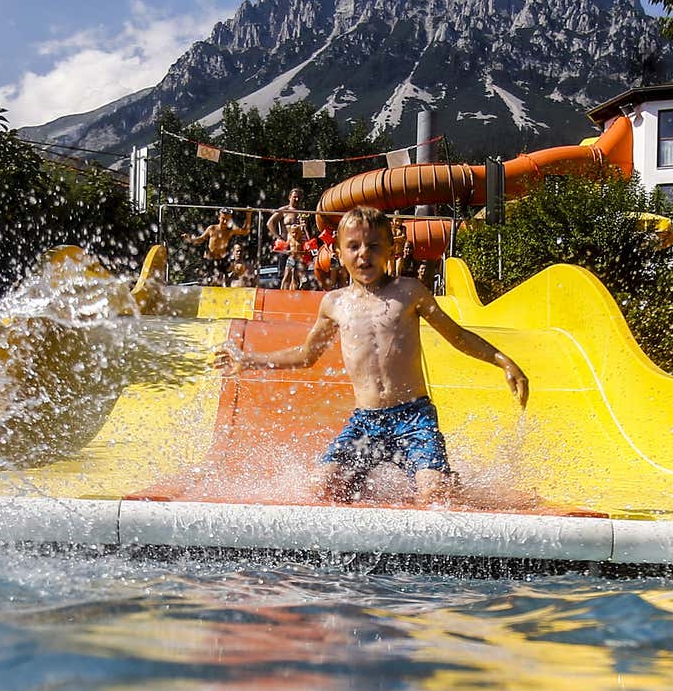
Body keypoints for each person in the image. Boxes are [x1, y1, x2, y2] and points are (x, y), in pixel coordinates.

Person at [212, 205, 529, 504]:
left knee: (434, 494)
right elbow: (306, 355)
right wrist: (247, 360)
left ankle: (443, 477)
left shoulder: (410, 292)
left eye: (374, 246)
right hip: (365, 422)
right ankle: (358, 483)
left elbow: (456, 335)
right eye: (354, 247)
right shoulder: (335, 303)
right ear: (339, 253)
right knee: (322, 486)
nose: (364, 254)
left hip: (414, 418)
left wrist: (502, 360)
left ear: (391, 249)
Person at [184, 210, 252, 286]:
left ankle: (230, 282)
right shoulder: (212, 228)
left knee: (240, 268)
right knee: (211, 280)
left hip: (222, 260)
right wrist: (190, 239)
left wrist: (248, 215)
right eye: (223, 219)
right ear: (219, 217)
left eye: (227, 220)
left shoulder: (230, 231)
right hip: (210, 260)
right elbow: (201, 239)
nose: (225, 221)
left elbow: (245, 231)